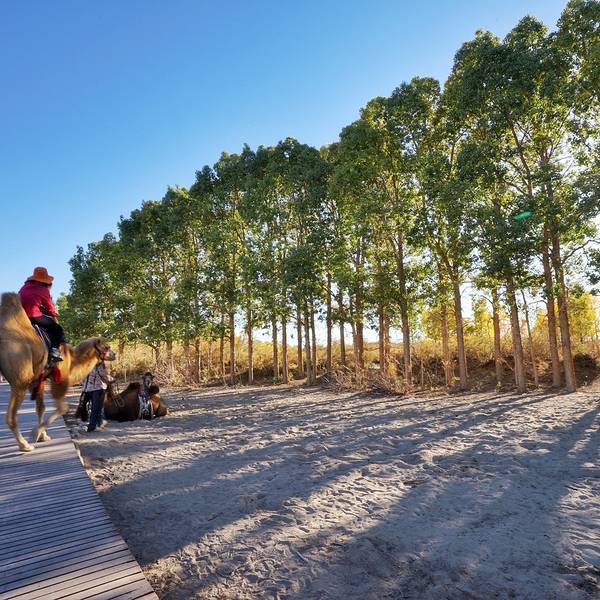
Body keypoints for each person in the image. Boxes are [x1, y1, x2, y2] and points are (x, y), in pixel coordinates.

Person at [18, 267, 66, 362]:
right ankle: (54, 351)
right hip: (33, 316)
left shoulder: (24, 287)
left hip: (21, 316)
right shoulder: (43, 289)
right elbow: (49, 307)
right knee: (57, 329)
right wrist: (54, 313)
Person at [82, 359, 114, 432]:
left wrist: (84, 385)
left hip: (88, 388)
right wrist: (112, 379)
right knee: (96, 408)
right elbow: (103, 374)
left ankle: (99, 423)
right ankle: (92, 426)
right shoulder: (99, 363)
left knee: (97, 406)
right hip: (98, 388)